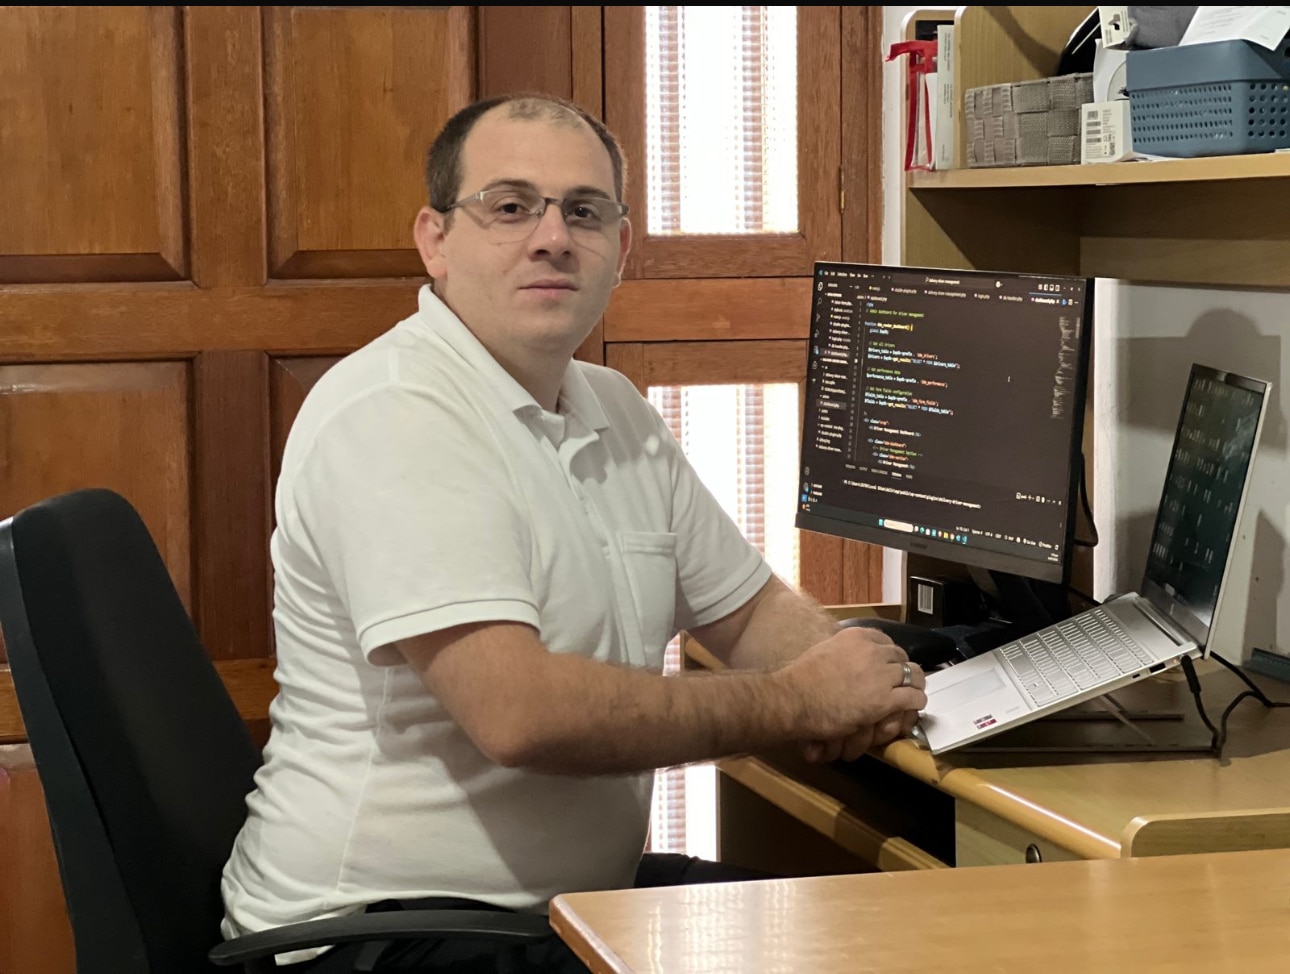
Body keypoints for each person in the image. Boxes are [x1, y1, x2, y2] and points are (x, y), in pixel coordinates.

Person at [220, 92, 927, 973]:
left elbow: (746, 614)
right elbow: (521, 716)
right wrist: (801, 702)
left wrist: (879, 683)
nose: (553, 237)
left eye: (585, 212)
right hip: (373, 934)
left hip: (551, 910)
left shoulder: (614, 409)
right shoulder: (395, 413)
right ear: (435, 240)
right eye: (511, 206)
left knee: (883, 934)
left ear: (620, 251)